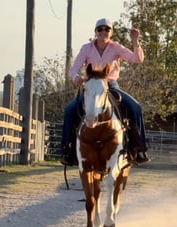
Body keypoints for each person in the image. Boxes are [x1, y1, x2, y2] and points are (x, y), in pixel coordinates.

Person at [60, 18, 150, 166]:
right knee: (69, 110)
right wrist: (76, 78)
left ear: (111, 32)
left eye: (106, 29)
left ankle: (139, 148)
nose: (103, 32)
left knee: (135, 107)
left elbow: (137, 59)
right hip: (91, 86)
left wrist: (135, 42)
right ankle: (67, 150)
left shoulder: (116, 48)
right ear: (95, 32)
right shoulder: (86, 48)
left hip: (111, 86)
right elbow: (73, 69)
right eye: (100, 29)